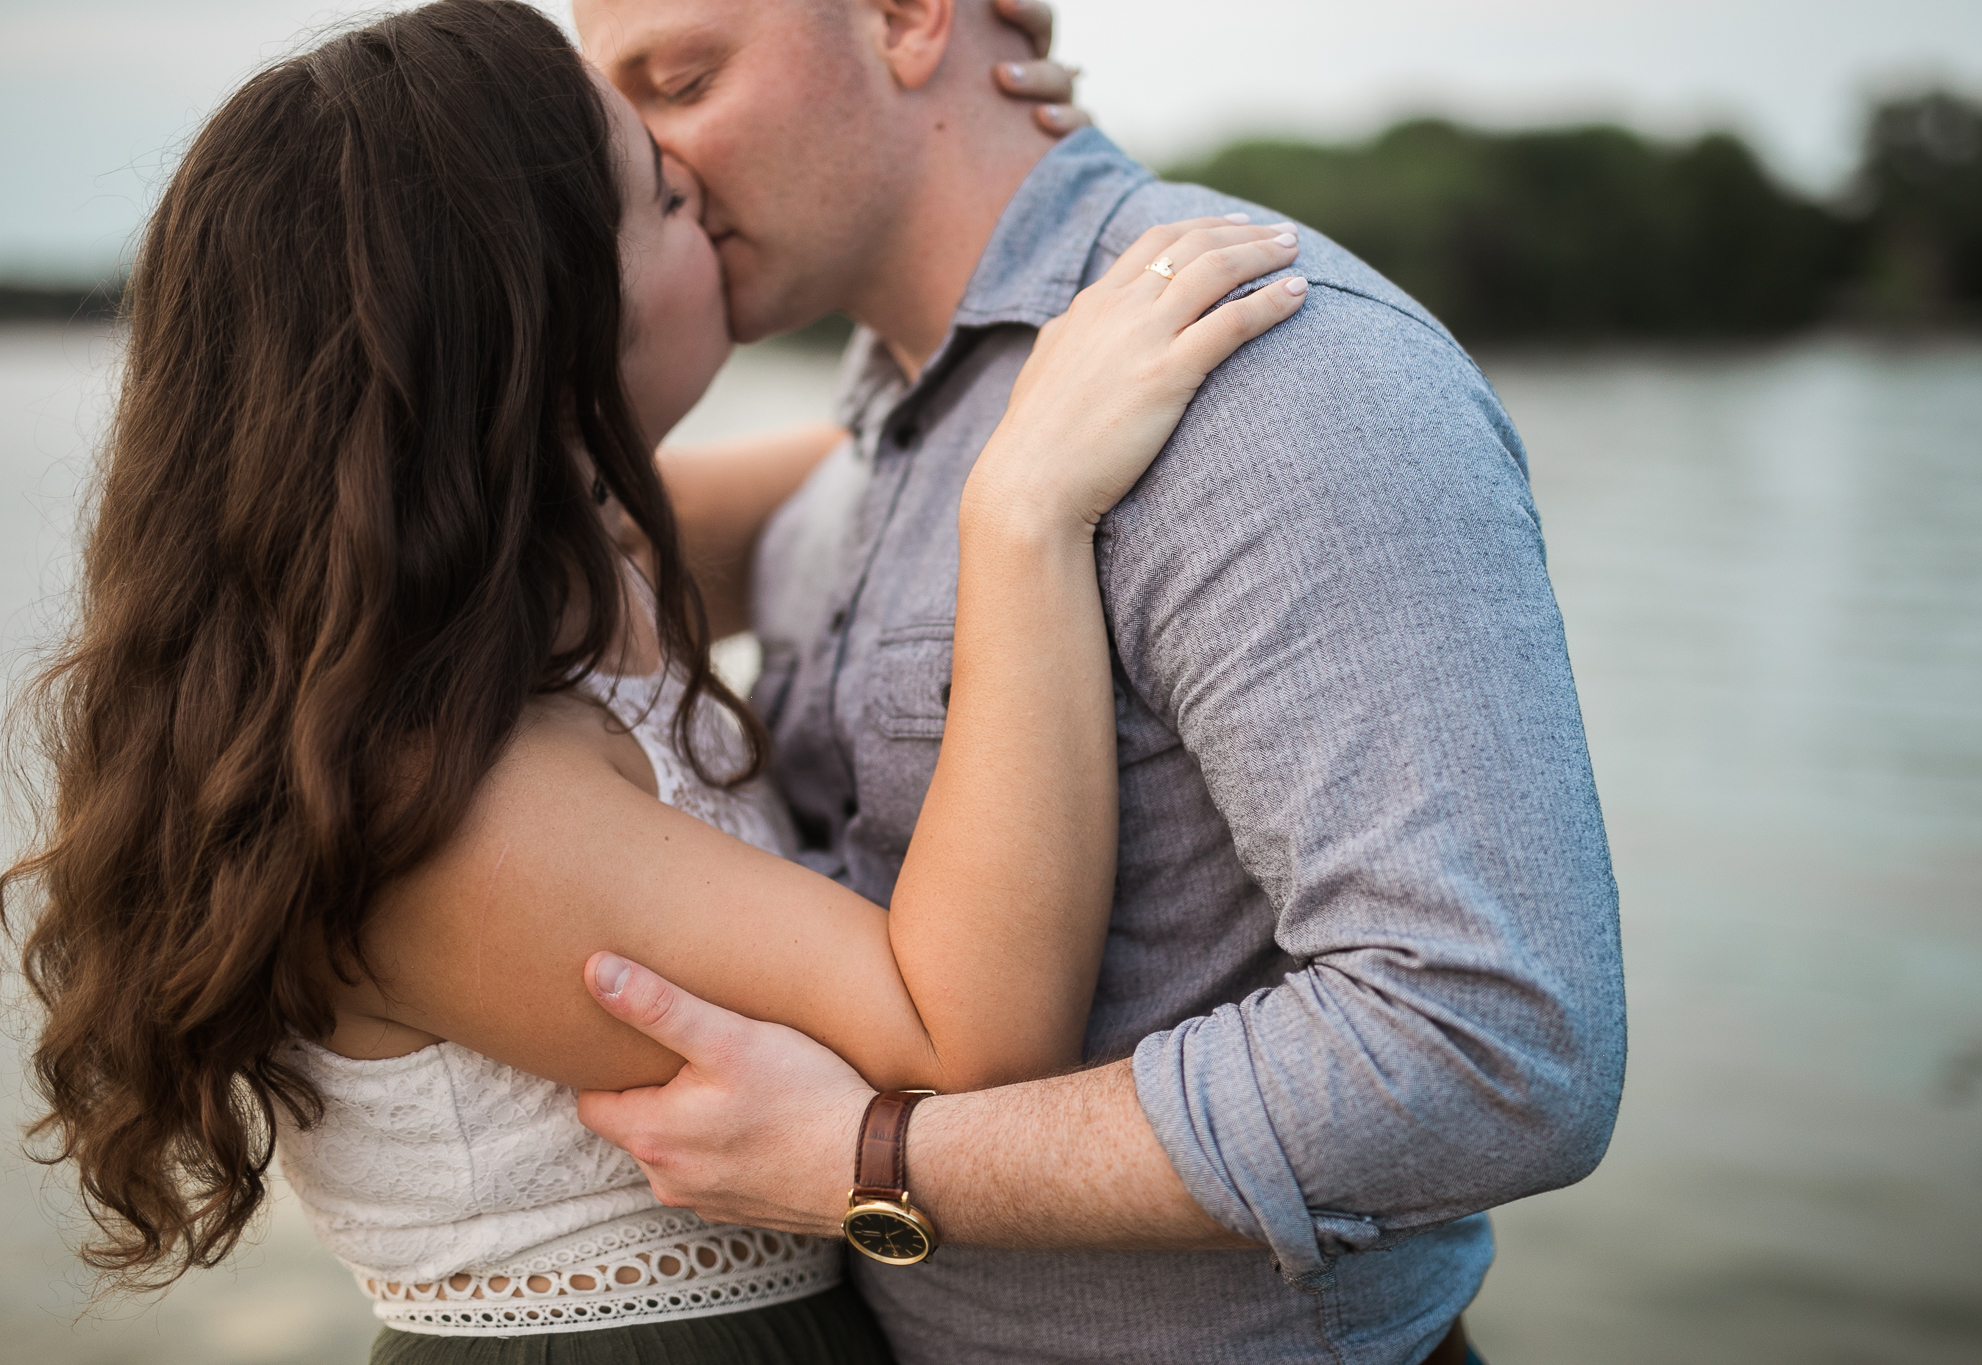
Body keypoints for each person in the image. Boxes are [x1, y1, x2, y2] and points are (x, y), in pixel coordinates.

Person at [2, 2, 1309, 1361]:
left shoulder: (540, 568)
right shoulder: (451, 803)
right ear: (556, 319)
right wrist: (1027, 514)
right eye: (667, 194)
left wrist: (977, 136)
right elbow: (964, 1039)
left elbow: (894, 456)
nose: (708, 187)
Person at [568, 1, 1629, 1362]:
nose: (651, 160)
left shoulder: (1269, 367)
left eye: (684, 80)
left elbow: (1492, 1050)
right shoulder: (891, 416)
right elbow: (496, 528)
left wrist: (878, 1158)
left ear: (902, 18)